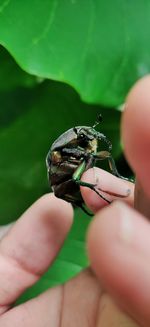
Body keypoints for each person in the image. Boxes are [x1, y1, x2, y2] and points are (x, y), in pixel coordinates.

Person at [0, 76, 149, 327]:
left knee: (95, 168)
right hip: (64, 184)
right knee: (86, 178)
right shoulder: (63, 151)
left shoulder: (85, 146)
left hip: (75, 184)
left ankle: (115, 179)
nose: (90, 138)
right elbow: (59, 159)